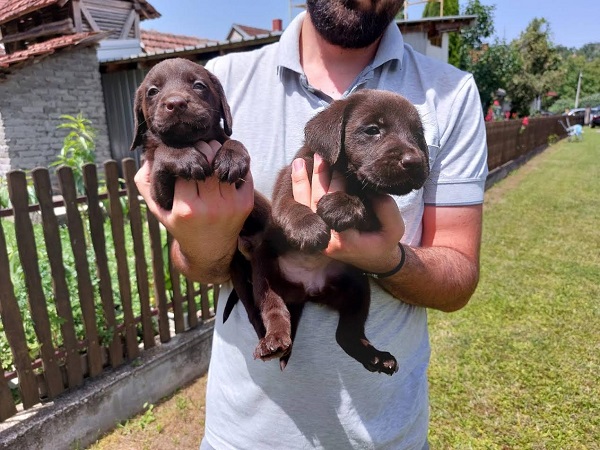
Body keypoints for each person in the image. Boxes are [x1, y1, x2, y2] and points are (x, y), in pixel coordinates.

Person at [135, 1, 488, 448]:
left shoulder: (450, 92)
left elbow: (458, 278)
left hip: (382, 435)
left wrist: (388, 260)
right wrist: (207, 243)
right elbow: (199, 263)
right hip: (245, 434)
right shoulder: (220, 80)